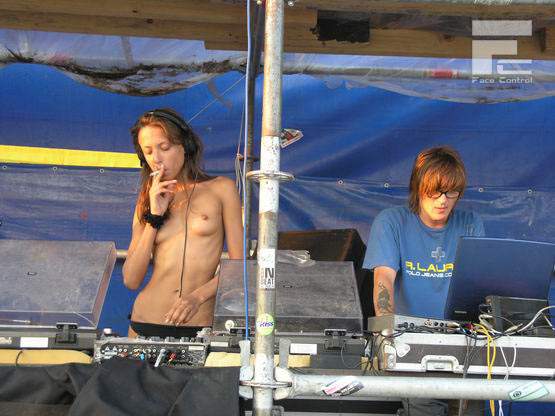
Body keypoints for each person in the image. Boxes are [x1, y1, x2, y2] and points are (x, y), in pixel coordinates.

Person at [363, 146, 485, 416]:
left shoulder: (470, 223)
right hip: (412, 344)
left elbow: (477, 284)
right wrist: (387, 330)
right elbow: (383, 278)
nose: (443, 200)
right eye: (435, 191)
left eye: (451, 192)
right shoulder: (392, 221)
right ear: (418, 187)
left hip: (464, 344)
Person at [122, 108, 243, 338]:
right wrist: (154, 217)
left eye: (164, 147)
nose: (157, 159)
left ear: (185, 146)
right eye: (148, 152)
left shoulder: (221, 189)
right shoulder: (147, 199)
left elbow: (239, 268)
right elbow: (131, 279)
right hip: (145, 321)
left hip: (197, 323)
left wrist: (197, 297)